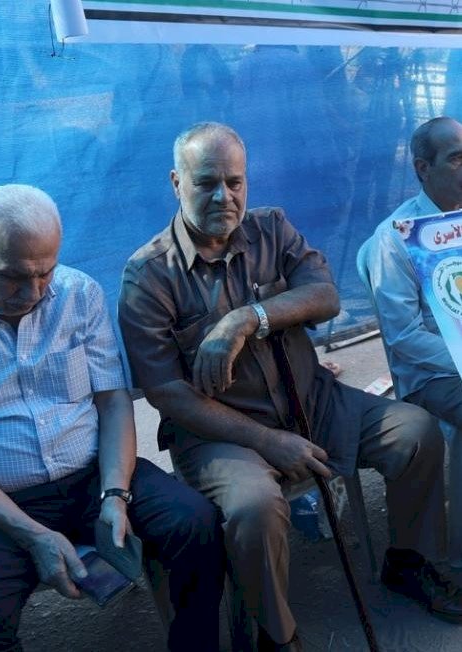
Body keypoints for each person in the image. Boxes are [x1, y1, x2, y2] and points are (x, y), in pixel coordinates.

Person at [118, 122, 462, 652]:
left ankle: (410, 561)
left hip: (312, 400)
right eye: (206, 182)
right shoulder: (148, 276)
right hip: (221, 432)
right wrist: (268, 441)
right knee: (255, 507)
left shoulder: (272, 229)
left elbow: (325, 296)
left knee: (414, 432)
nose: (224, 196)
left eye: (234, 182)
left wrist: (245, 319)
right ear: (176, 182)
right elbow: (166, 393)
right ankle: (277, 634)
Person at [0, 184, 225, 652]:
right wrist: (32, 535)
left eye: (45, 273)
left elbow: (113, 402)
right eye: (14, 277)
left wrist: (115, 495)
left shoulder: (78, 293)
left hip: (92, 476)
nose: (33, 293)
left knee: (195, 524)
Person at [366, 116, 462, 427]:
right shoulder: (394, 239)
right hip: (433, 375)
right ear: (423, 168)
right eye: (457, 159)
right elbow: (405, 337)